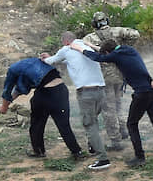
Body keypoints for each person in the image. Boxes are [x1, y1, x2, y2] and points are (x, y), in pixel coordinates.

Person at [72, 39, 153, 167]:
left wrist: (80, 49)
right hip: (151, 90)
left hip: (141, 94)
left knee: (131, 124)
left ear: (109, 51)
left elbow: (98, 57)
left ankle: (139, 157)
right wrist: (91, 45)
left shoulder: (116, 55)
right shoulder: (128, 49)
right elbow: (107, 54)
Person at [40, 31, 112, 170]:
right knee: (94, 120)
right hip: (101, 90)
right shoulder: (86, 47)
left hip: (86, 93)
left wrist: (45, 58)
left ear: (66, 41)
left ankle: (103, 159)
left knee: (89, 124)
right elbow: (72, 60)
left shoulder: (66, 49)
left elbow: (51, 61)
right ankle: (93, 145)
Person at [0, 57, 85, 161]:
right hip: (61, 90)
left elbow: (7, 91)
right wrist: (7, 103)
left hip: (45, 93)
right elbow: (18, 90)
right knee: (64, 125)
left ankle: (39, 151)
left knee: (36, 124)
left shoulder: (12, 70)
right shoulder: (34, 63)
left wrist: (4, 107)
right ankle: (77, 152)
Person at [82, 11, 139, 148]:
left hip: (104, 77)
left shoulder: (90, 38)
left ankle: (115, 140)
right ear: (107, 20)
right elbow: (135, 34)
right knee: (118, 105)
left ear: (94, 24)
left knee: (108, 110)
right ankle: (124, 130)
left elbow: (83, 48)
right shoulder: (118, 31)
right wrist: (125, 47)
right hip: (120, 74)